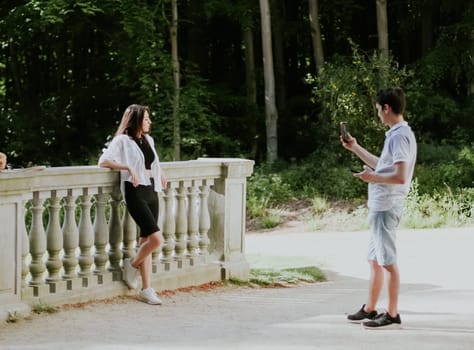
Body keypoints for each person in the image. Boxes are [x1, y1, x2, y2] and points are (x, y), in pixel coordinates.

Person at [341, 88, 417, 328]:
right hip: (380, 206)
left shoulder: (398, 136)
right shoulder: (396, 134)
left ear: (386, 108)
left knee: (388, 263)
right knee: (375, 260)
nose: (378, 115)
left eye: (377, 109)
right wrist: (355, 147)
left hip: (386, 206)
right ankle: (370, 309)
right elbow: (383, 166)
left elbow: (401, 175)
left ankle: (392, 314)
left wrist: (371, 179)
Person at [98, 104, 167, 305]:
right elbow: (103, 161)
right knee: (156, 240)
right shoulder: (122, 140)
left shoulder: (148, 139)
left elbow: (152, 163)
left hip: (151, 190)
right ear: (136, 120)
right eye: (146, 119)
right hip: (134, 191)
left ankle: (146, 289)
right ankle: (133, 264)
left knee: (145, 239)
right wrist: (126, 166)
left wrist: (160, 172)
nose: (149, 122)